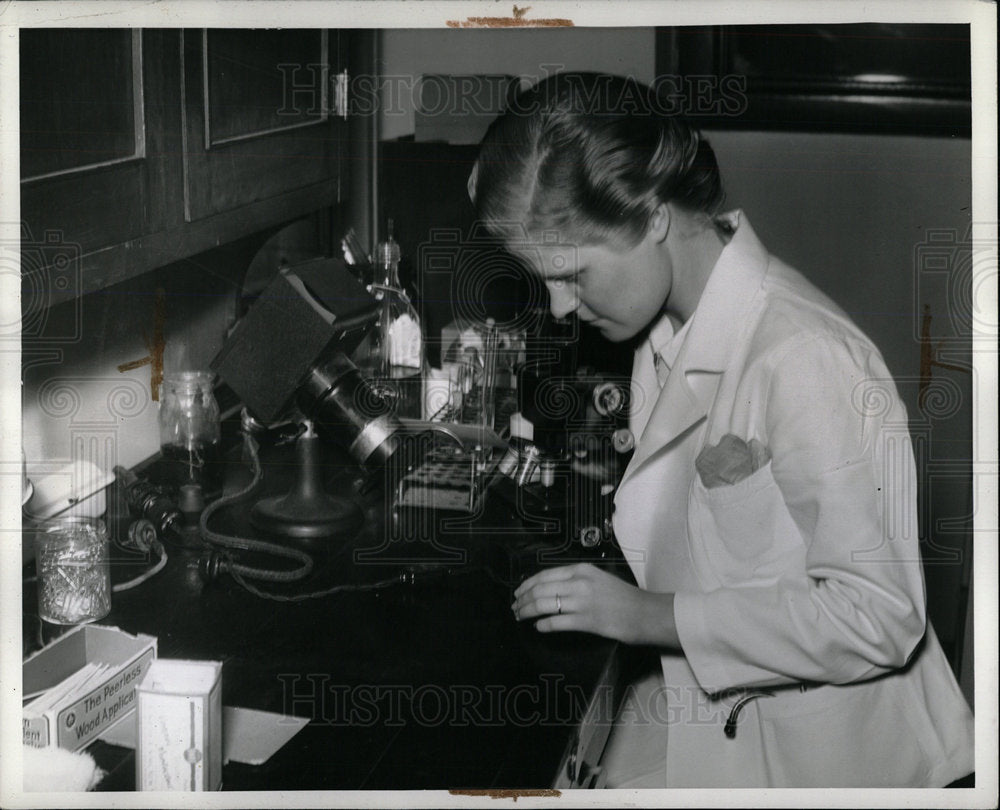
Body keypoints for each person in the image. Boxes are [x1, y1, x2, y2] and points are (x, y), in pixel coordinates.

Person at [469, 72, 975, 788]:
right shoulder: (667, 329)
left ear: (651, 217)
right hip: (726, 717)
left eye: (573, 275)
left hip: (842, 764)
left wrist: (649, 617)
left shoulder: (803, 354)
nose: (556, 309)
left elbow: (882, 616)